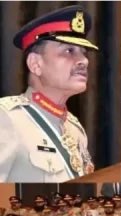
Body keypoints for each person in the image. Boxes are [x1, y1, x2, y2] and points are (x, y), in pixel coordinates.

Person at [0, 6, 97, 182]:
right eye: (69, 51)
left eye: (83, 52)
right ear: (35, 64)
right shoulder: (6, 118)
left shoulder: (75, 128)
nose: (84, 60)